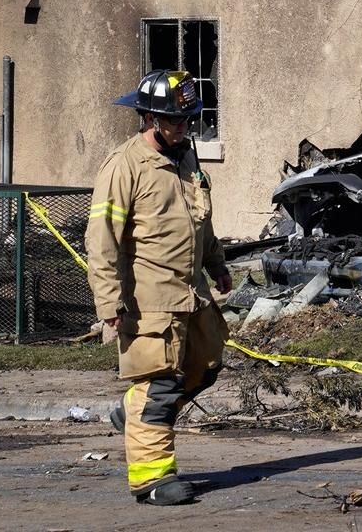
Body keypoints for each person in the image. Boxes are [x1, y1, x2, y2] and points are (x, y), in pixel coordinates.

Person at [85, 69, 231, 505]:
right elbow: (102, 239)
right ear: (150, 119)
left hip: (192, 293)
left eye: (188, 119)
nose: (184, 127)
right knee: (161, 386)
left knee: (206, 366)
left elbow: (200, 220)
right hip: (149, 300)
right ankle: (152, 480)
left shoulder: (185, 159)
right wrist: (108, 300)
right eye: (175, 120)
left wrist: (217, 264)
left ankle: (132, 411)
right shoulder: (124, 166)